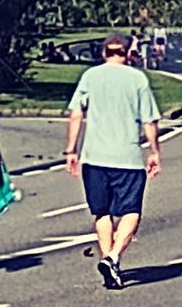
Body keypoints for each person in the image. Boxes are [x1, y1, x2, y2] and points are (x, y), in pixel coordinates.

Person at [64, 32, 162, 290]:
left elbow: (76, 114)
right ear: (129, 53)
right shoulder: (137, 78)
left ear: (103, 52)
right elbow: (149, 120)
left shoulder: (89, 77)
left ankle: (110, 262)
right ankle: (113, 258)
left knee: (102, 212)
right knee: (131, 211)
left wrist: (71, 150)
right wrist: (154, 151)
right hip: (126, 158)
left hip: (94, 157)